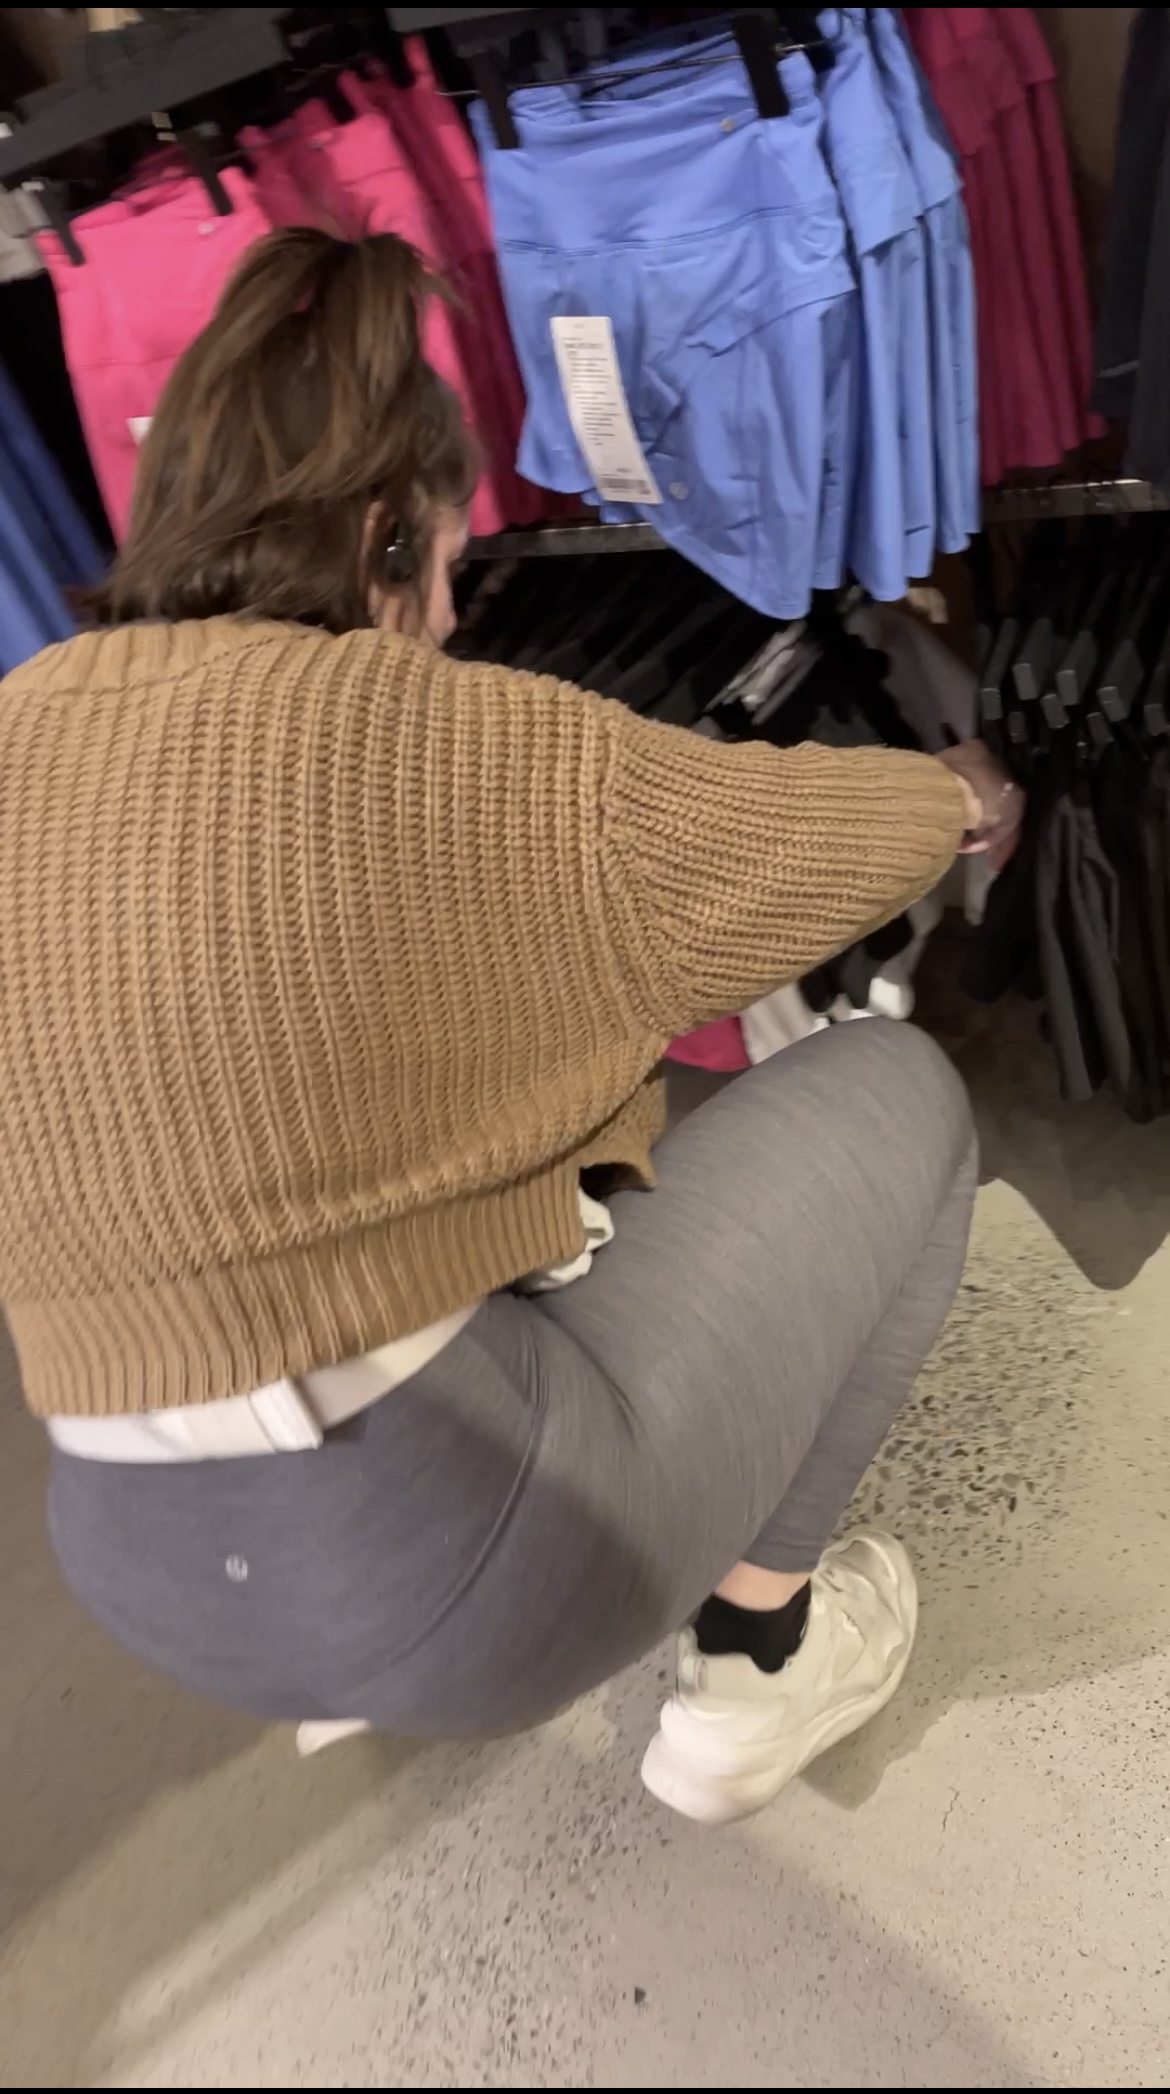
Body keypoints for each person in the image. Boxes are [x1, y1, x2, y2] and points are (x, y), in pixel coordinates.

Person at [0, 230, 1018, 1826]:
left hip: (136, 1572)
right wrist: (952, 793)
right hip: (436, 1554)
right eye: (449, 567)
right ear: (382, 534)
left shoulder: (20, 729)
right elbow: (799, 845)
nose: (451, 612)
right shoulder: (435, 737)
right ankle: (758, 1661)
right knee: (894, 1092)